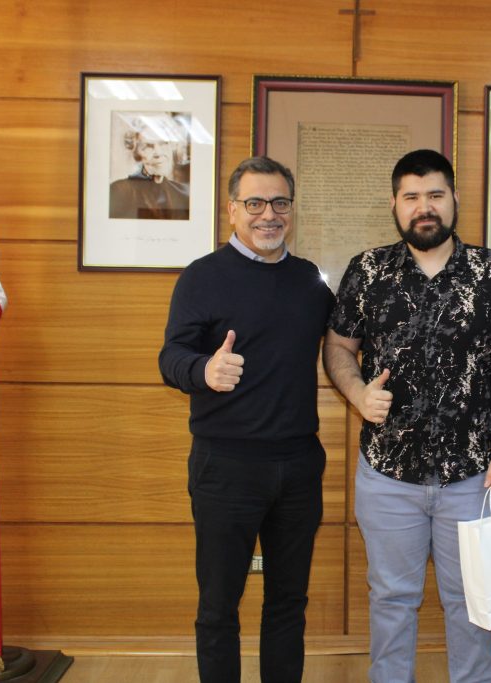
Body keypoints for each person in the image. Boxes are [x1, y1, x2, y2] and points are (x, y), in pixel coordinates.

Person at [323, 149, 491, 683]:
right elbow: (338, 347)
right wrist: (357, 393)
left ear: (454, 199)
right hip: (387, 476)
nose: (425, 207)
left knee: (472, 603)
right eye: (412, 196)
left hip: (474, 476)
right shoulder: (368, 270)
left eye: (436, 195)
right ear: (394, 204)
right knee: (391, 599)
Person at [158, 156, 333, 683]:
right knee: (218, 606)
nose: (268, 214)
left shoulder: (310, 282)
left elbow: (346, 347)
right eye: (254, 203)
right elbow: (170, 357)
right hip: (226, 467)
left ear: (291, 210)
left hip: (299, 467)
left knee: (289, 602)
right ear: (232, 210)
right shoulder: (202, 277)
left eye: (279, 203)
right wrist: (203, 370)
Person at [110, 115, 190, 220]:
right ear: (137, 153)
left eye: (163, 143)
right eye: (148, 146)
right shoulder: (120, 191)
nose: (158, 153)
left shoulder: (182, 194)